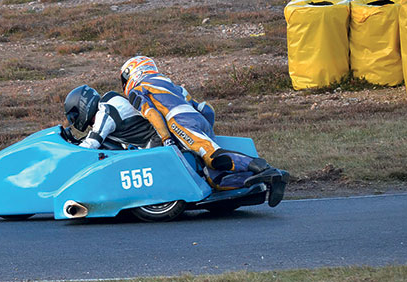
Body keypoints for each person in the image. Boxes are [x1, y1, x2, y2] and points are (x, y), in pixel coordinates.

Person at [119, 55, 289, 206]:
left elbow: (153, 114)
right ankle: (266, 180)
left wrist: (166, 139)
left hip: (178, 121)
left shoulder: (138, 89)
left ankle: (263, 167)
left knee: (214, 157)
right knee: (216, 179)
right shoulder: (171, 84)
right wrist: (207, 129)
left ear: (133, 73)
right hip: (199, 118)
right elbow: (205, 108)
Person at [63, 84, 161, 150]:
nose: (75, 119)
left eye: (75, 115)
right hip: (151, 139)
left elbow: (92, 143)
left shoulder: (105, 113)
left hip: (154, 142)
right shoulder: (108, 100)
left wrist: (70, 154)